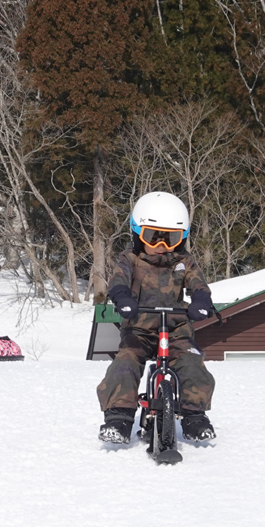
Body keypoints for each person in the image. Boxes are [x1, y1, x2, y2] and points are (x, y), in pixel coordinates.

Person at [97, 191, 218, 450]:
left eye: (170, 239)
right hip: (139, 328)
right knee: (125, 362)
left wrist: (200, 301)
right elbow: (119, 279)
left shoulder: (183, 262)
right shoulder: (130, 259)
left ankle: (195, 417)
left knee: (191, 361)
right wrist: (122, 297)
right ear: (137, 234)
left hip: (175, 329)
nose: (161, 245)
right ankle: (118, 418)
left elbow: (199, 284)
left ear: (181, 239)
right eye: (153, 237)